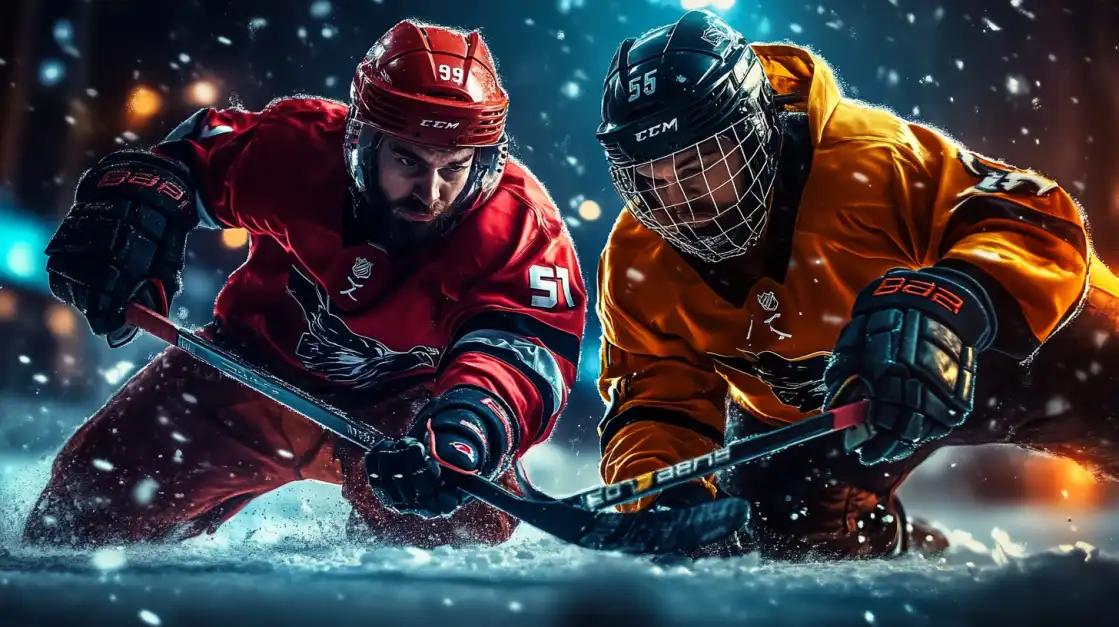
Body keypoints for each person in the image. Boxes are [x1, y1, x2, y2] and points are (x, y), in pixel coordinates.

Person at [26, 20, 586, 549]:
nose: (431, 192)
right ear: (363, 141)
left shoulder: (522, 230)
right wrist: (136, 197)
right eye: (408, 161)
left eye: (454, 166)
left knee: (462, 526)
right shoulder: (298, 147)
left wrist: (468, 428)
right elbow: (191, 162)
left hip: (409, 417)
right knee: (76, 518)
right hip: (244, 374)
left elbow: (521, 351)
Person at [593, 10, 1119, 560]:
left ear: (755, 128)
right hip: (837, 414)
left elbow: (1035, 217)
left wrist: (951, 301)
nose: (677, 202)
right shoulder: (636, 259)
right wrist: (663, 489)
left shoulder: (871, 160)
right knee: (780, 532)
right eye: (649, 178)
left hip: (1026, 351)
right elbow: (655, 396)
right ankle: (906, 547)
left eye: (699, 164)